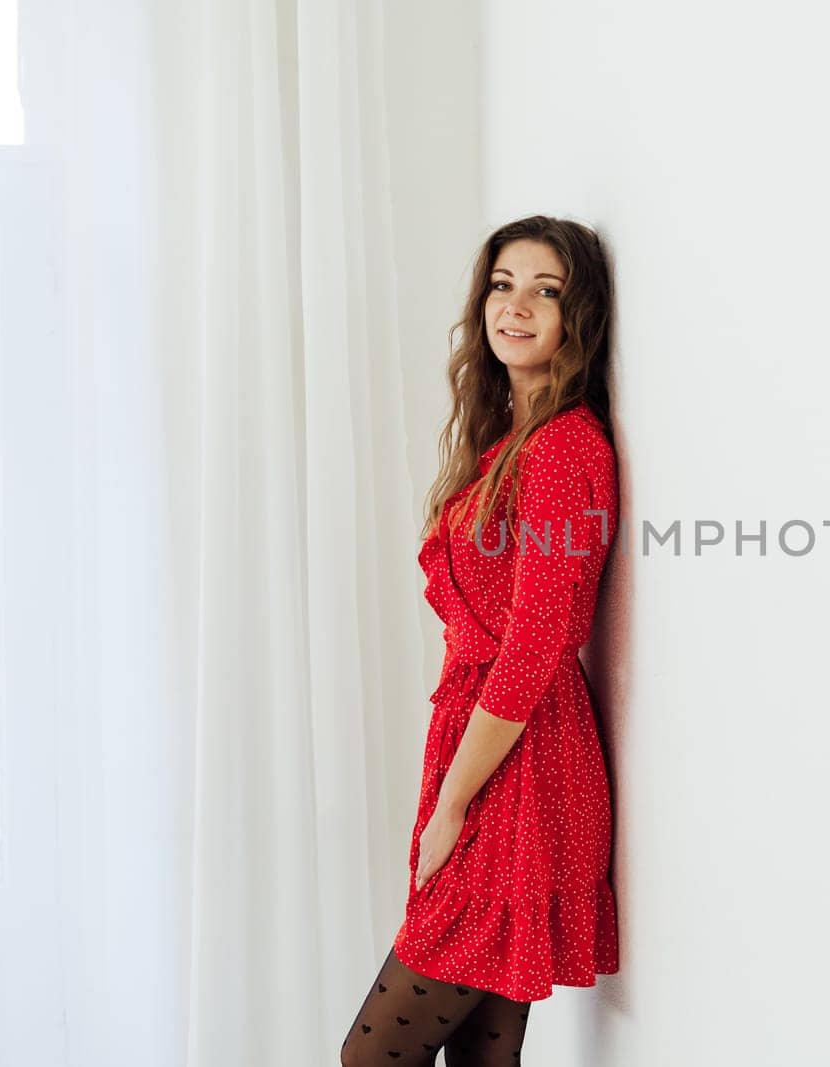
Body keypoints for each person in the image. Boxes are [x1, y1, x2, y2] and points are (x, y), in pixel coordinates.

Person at [341, 215, 620, 1065]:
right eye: (504, 284)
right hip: (500, 751)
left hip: (519, 767)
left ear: (581, 317)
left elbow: (533, 648)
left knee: (370, 1055)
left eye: (547, 290)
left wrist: (454, 803)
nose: (518, 307)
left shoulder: (566, 448)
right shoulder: (509, 444)